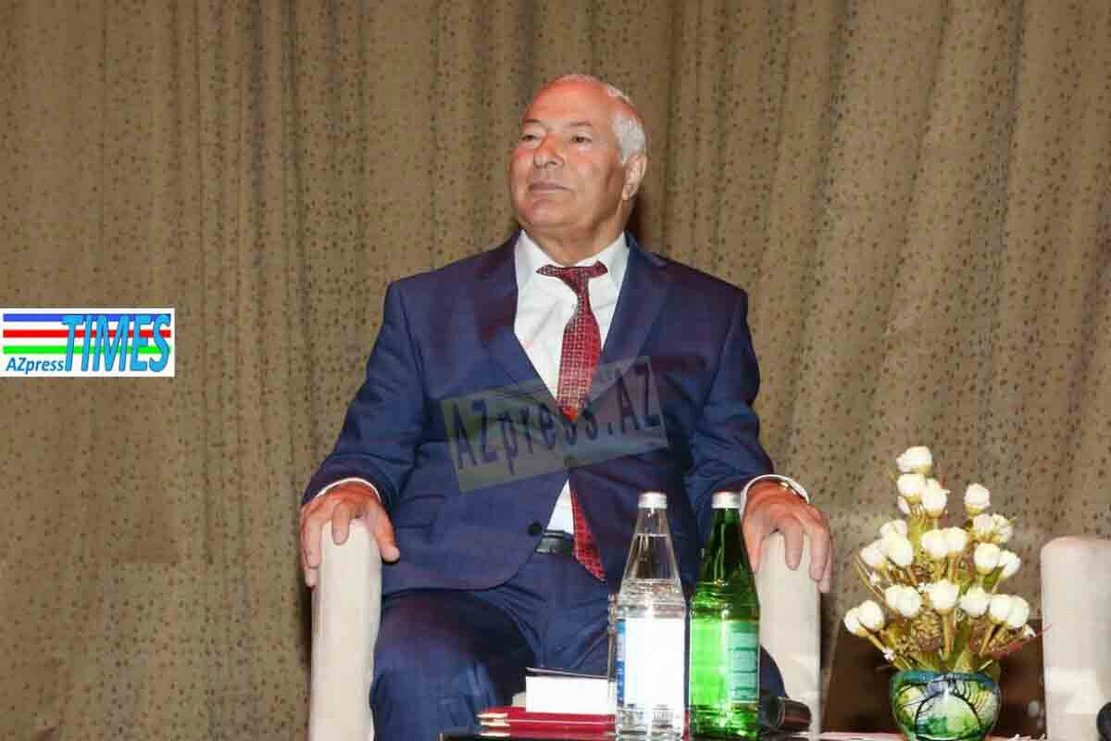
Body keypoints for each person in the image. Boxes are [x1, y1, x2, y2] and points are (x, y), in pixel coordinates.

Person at [299, 73, 833, 740]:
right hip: (461, 592)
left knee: (731, 696)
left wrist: (765, 493)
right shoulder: (428, 305)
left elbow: (724, 460)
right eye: (530, 138)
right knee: (423, 669)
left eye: (577, 139)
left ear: (630, 174)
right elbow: (369, 450)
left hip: (638, 596)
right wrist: (348, 487)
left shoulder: (705, 311)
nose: (544, 155)